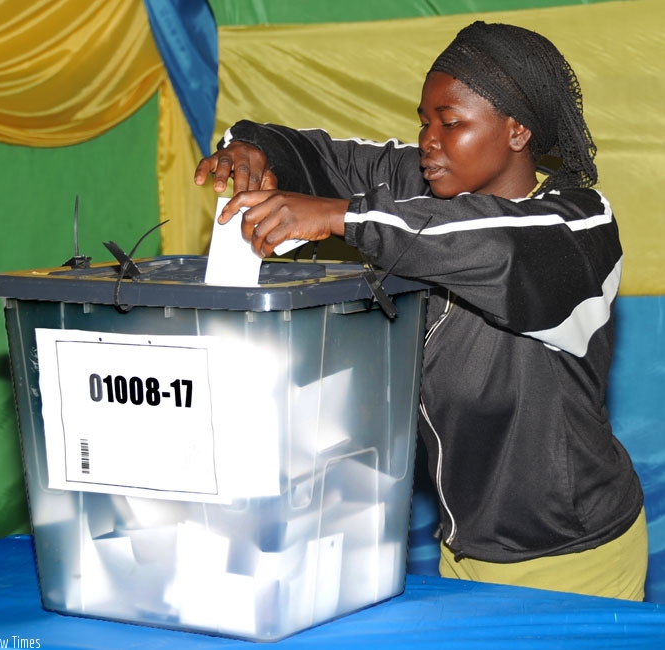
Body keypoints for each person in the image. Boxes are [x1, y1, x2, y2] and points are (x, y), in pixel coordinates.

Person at [194, 21, 647, 600]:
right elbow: (323, 157)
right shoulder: (425, 188)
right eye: (424, 121)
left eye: (451, 122)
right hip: (463, 549)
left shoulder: (575, 225)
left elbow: (491, 244)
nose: (429, 139)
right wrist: (257, 152)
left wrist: (343, 217)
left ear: (516, 131)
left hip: (571, 555)